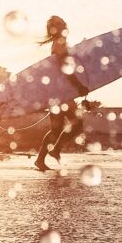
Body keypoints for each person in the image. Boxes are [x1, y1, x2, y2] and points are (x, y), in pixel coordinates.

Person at [34, 15, 86, 171]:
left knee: (57, 129)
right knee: (77, 126)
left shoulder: (59, 44)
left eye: (65, 24)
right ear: (57, 29)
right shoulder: (59, 44)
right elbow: (66, 70)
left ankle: (41, 159)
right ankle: (54, 150)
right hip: (62, 95)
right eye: (63, 24)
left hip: (57, 94)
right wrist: (80, 86)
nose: (66, 26)